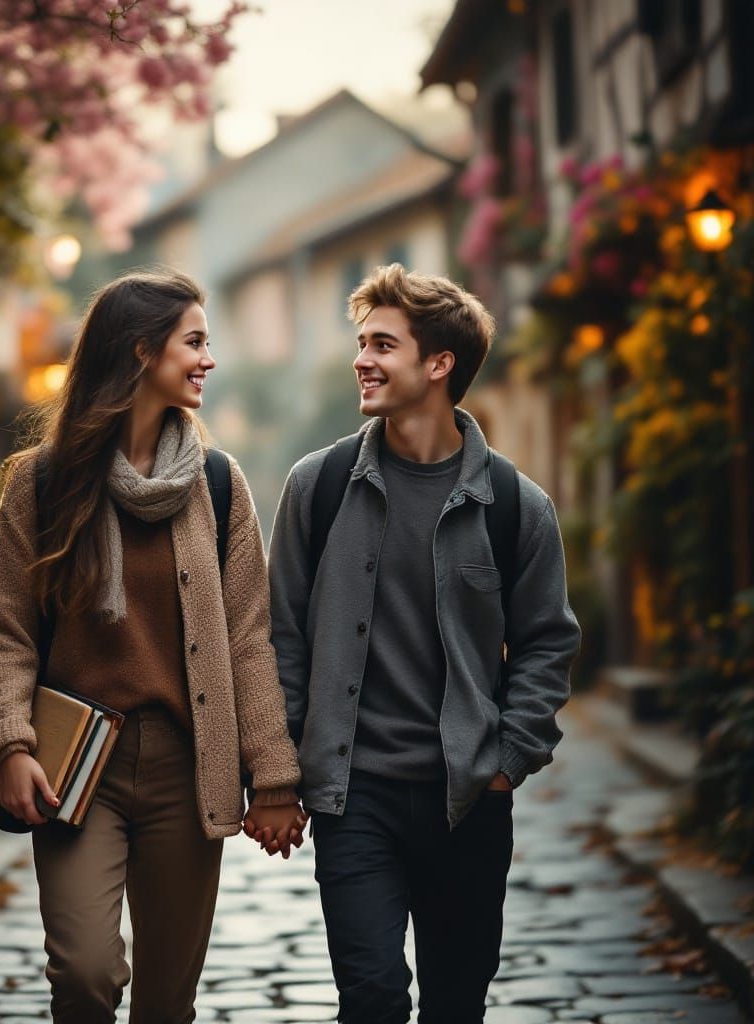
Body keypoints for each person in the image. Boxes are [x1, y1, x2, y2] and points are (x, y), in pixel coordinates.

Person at [0, 268, 305, 1024]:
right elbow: (4, 628)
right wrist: (11, 742)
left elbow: (249, 640)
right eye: (195, 341)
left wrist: (274, 777)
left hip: (188, 772)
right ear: (140, 351)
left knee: (166, 1002)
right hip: (75, 769)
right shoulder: (43, 483)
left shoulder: (219, 486)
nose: (208, 359)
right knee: (85, 974)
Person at [268, 264, 581, 1024]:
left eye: (383, 344)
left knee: (454, 1005)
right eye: (361, 341)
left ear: (438, 365)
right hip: (354, 797)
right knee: (371, 996)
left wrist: (508, 760)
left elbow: (547, 643)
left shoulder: (515, 506)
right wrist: (280, 771)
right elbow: (280, 636)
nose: (361, 360)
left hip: (467, 802)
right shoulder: (319, 485)